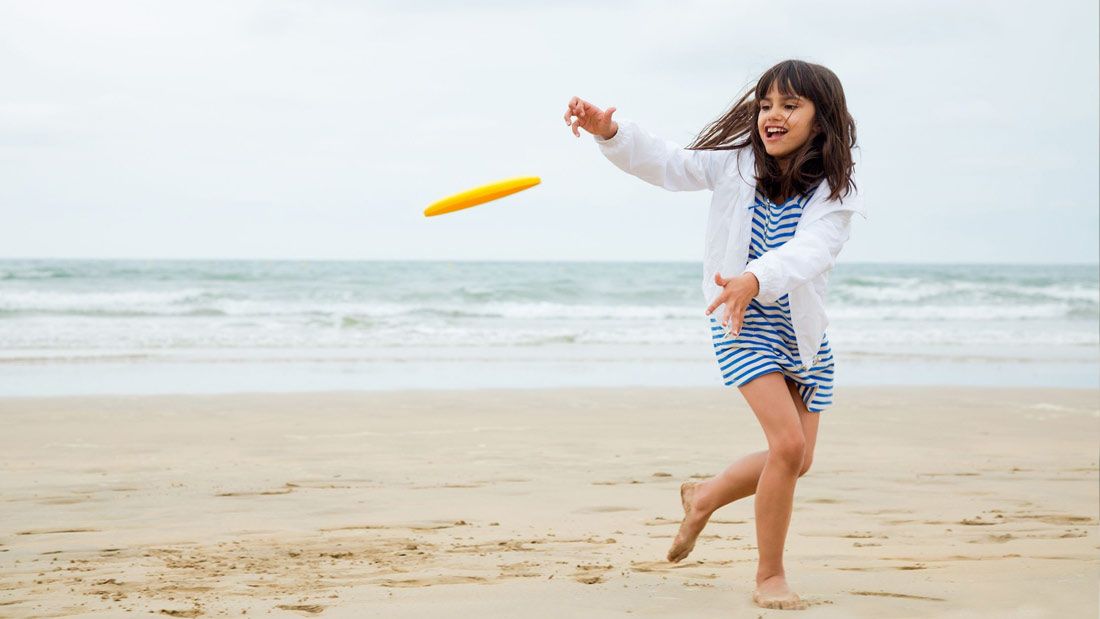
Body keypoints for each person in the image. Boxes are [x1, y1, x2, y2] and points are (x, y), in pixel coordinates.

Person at [563, 59, 868, 611]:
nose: (773, 116)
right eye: (766, 104)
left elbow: (811, 252)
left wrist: (759, 276)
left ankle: (702, 496)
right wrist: (611, 132)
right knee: (788, 446)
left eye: (790, 106)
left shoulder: (835, 193)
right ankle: (769, 575)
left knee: (797, 461)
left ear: (821, 121)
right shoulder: (735, 164)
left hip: (802, 332)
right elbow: (671, 164)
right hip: (739, 321)